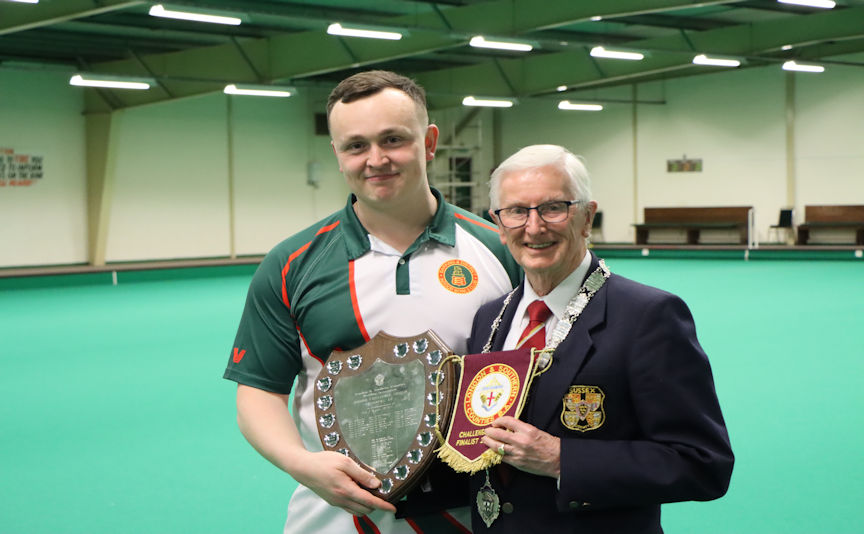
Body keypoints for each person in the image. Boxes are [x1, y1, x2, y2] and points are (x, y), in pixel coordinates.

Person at [223, 70, 521, 534]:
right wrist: (301, 464)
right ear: (337, 155)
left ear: (429, 142)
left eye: (393, 139)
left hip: (476, 516)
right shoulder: (290, 264)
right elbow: (259, 390)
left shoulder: (502, 250)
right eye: (356, 145)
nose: (376, 159)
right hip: (336, 521)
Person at [466, 145, 734, 533]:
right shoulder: (489, 318)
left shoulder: (648, 316)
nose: (534, 227)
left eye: (553, 208)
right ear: (499, 224)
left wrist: (561, 459)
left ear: (587, 216)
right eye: (517, 211)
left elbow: (702, 463)